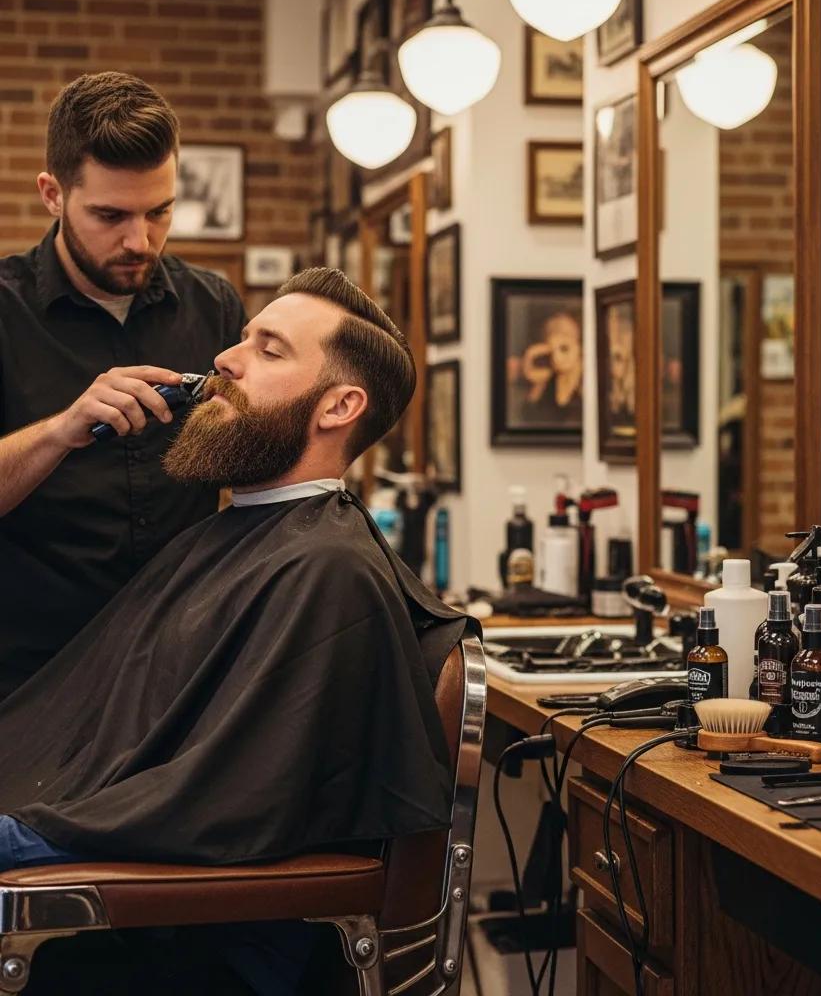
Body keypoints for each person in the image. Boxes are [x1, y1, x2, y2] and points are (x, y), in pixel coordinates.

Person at [0, 267, 473, 995]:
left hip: (175, 949)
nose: (225, 357)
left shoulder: (328, 571)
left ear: (339, 405)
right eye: (243, 338)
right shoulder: (233, 536)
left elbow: (224, 800)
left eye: (269, 349)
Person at [0, 72, 247, 697]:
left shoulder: (213, 306)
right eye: (110, 215)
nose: (140, 241)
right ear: (53, 195)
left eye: (159, 212)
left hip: (181, 666)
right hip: (31, 674)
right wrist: (59, 432)